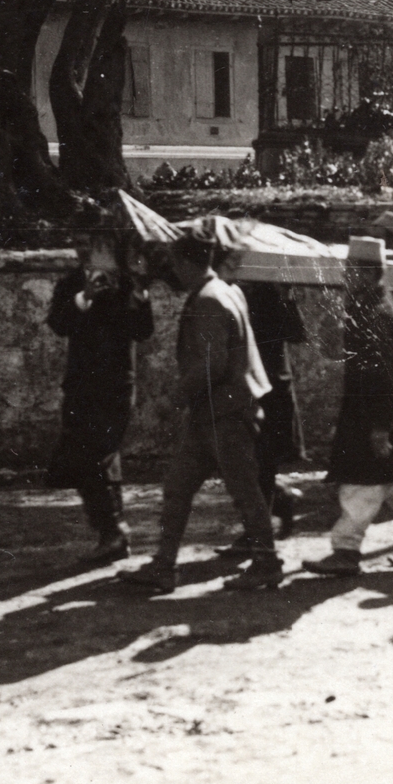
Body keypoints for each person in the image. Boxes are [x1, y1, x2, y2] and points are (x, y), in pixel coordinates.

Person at [118, 233, 281, 593]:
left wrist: (177, 395)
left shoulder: (208, 300)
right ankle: (163, 565)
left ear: (187, 263)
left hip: (224, 412)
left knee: (244, 491)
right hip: (218, 410)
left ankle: (267, 563)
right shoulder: (227, 290)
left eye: (175, 264)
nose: (173, 271)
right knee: (179, 487)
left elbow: (213, 363)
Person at [304, 237, 393, 576]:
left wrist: (380, 426)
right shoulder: (374, 305)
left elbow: (387, 372)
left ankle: (346, 550)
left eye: (351, 269)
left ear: (367, 273)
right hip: (381, 410)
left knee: (361, 486)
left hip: (374, 412)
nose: (345, 275)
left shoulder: (376, 313)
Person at [44, 226, 155, 564]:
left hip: (115, 386)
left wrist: (140, 296)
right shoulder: (71, 283)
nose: (82, 251)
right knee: (88, 458)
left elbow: (143, 331)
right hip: (80, 385)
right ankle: (113, 530)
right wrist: (85, 299)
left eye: (89, 245)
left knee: (98, 454)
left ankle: (113, 531)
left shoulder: (125, 286)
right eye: (78, 244)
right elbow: (59, 324)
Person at [216, 281, 305, 553]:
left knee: (260, 462)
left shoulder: (270, 292)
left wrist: (287, 297)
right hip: (242, 386)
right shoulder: (229, 290)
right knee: (244, 461)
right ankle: (280, 500)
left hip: (270, 388)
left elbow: (297, 333)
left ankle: (256, 535)